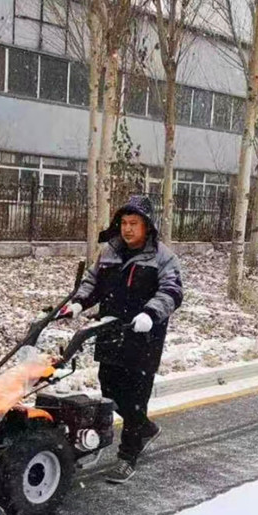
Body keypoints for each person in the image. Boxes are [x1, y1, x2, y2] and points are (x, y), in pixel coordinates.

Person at [61, 195, 183, 483]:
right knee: (112, 395)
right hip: (111, 333)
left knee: (136, 397)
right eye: (124, 223)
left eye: (134, 223)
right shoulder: (110, 252)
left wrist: (151, 314)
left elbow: (172, 291)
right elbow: (92, 282)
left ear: (147, 226)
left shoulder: (163, 257)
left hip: (144, 338)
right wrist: (79, 303)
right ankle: (145, 428)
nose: (127, 229)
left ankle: (128, 455)